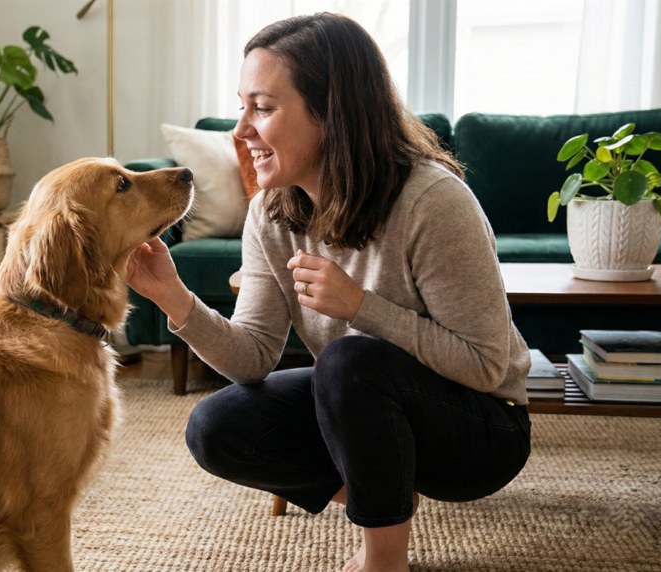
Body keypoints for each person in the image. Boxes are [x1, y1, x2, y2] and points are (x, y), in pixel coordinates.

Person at [126, 12, 532, 572]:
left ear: (332, 112)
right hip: (370, 406)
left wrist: (362, 309)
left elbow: (488, 367)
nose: (241, 129)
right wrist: (174, 297)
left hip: (482, 430)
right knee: (215, 426)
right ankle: (380, 491)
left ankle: (382, 562)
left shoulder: (434, 201)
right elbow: (251, 359)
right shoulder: (272, 211)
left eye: (262, 108)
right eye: (242, 106)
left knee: (349, 360)